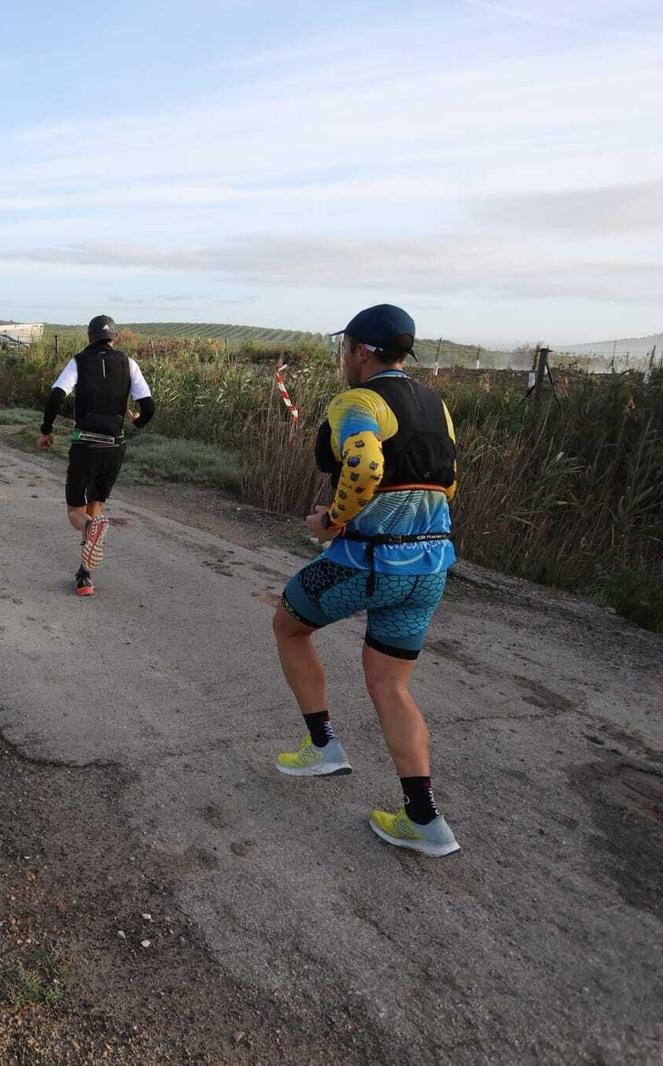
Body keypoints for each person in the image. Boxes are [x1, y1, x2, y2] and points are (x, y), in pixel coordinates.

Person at [270, 303, 462, 858]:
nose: (343, 358)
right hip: (429, 569)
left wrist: (331, 521)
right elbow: (446, 481)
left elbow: (365, 466)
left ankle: (323, 745)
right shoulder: (436, 405)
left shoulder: (358, 400)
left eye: (345, 348)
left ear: (359, 351)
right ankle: (424, 819)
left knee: (288, 626)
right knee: (391, 684)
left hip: (365, 562)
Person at [37, 315, 155, 596]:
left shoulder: (78, 361)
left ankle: (90, 532)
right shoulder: (129, 363)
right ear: (114, 338)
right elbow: (149, 407)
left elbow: (56, 396)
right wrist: (137, 422)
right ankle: (84, 576)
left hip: (85, 445)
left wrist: (46, 430)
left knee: (76, 514)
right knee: (96, 507)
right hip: (114, 447)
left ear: (89, 338)